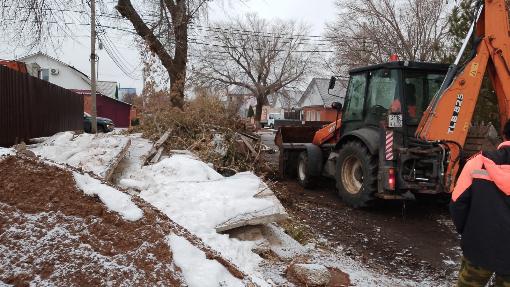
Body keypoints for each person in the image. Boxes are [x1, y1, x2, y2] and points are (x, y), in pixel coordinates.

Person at [451, 119, 510, 286]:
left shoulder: (477, 162)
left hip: (479, 247)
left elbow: (457, 204)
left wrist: (468, 232)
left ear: (503, 135)